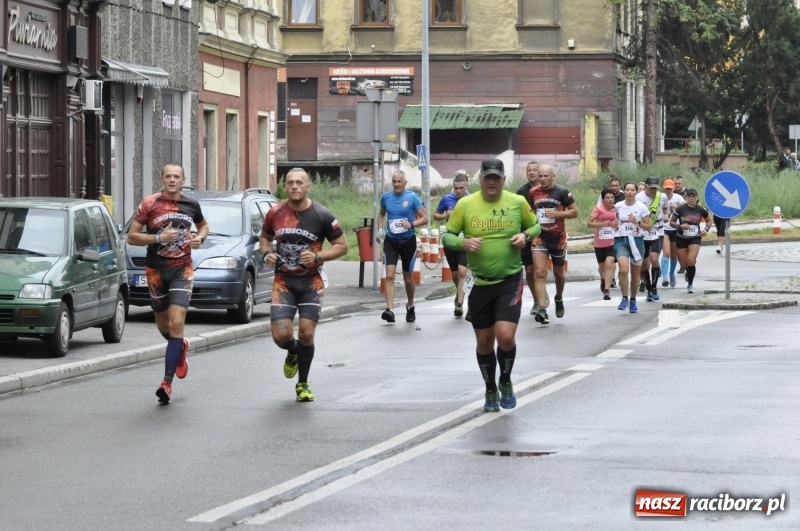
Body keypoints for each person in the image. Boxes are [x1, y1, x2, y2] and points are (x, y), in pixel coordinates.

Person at [442, 158, 541, 413]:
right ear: (481, 179)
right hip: (479, 283)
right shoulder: (465, 205)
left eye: (497, 177)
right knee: (485, 341)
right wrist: (463, 244)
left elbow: (535, 225)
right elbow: (447, 235)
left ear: (504, 179)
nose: (492, 182)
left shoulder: (517, 202)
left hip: (509, 279)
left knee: (505, 336)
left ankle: (505, 380)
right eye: (488, 177)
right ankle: (490, 388)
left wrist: (525, 235)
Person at [259, 168, 348, 402]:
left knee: (307, 334)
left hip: (311, 283)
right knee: (281, 337)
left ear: (308, 186)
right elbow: (264, 237)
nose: (295, 186)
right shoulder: (275, 212)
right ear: (285, 186)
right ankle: (292, 351)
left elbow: (342, 246)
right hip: (283, 283)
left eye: (300, 182)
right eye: (290, 182)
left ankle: (303, 384)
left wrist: (319, 257)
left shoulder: (321, 214)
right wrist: (267, 253)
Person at [128, 163, 209, 404]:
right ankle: (180, 347)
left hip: (181, 269)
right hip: (155, 270)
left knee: (176, 322)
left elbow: (203, 225)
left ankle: (166, 383)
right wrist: (158, 237)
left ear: (183, 179)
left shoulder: (191, 204)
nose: (172, 180)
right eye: (168, 176)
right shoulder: (149, 203)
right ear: (161, 179)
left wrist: (200, 238)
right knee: (164, 327)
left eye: (176, 176)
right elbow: (132, 236)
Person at [376, 170, 428, 323]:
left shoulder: (412, 197)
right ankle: (389, 310)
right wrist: (380, 230)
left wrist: (411, 224)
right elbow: (381, 215)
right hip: (391, 241)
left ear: (405, 183)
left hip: (408, 242)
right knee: (390, 275)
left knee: (408, 279)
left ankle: (410, 306)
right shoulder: (386, 197)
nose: (397, 184)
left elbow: (425, 218)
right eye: (394, 181)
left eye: (400, 181)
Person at [529, 164, 578, 324]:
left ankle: (558, 297)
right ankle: (542, 308)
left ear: (553, 176)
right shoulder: (533, 192)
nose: (542, 179)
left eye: (545, 176)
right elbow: (530, 210)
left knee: (558, 273)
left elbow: (574, 212)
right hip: (540, 237)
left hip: (558, 238)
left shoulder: (563, 192)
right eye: (540, 176)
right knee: (540, 272)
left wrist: (557, 213)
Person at [434, 171, 469, 317]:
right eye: (456, 188)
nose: (459, 191)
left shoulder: (472, 199)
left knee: (462, 272)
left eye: (461, 188)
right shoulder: (446, 199)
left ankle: (460, 303)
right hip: (450, 240)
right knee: (454, 274)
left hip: (464, 240)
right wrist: (445, 216)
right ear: (453, 187)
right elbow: (435, 215)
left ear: (466, 187)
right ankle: (459, 292)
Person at [613, 181, 652, 314]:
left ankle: (633, 300)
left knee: (636, 273)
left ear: (636, 192)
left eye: (632, 190)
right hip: (621, 240)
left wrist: (637, 222)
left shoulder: (641, 207)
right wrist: (614, 224)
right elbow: (614, 221)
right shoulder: (618, 206)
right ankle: (624, 298)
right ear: (624, 191)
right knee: (623, 270)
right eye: (627, 190)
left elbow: (649, 227)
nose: (629, 192)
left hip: (637, 241)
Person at [669, 188, 712, 293]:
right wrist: (680, 226)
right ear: (686, 198)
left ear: (697, 198)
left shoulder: (701, 210)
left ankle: (690, 284)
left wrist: (706, 229)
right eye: (689, 196)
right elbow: (671, 222)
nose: (691, 199)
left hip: (695, 237)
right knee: (684, 264)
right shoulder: (680, 209)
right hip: (681, 238)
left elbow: (709, 221)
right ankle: (688, 271)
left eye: (693, 197)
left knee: (691, 260)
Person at [635, 176, 669, 302]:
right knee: (644, 263)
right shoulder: (639, 197)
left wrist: (666, 215)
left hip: (657, 230)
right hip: (643, 231)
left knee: (654, 258)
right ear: (646, 186)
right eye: (651, 188)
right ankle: (649, 288)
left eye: (655, 188)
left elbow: (666, 209)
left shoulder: (662, 197)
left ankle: (654, 287)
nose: (653, 190)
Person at [516, 161, 541, 314]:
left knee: (540, 270)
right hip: (528, 234)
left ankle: (545, 297)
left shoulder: (548, 189)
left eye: (535, 170)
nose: (532, 172)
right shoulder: (521, 192)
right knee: (530, 270)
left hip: (547, 234)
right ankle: (537, 299)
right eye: (529, 170)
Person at [587, 188, 617, 300]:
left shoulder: (617, 209)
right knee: (602, 268)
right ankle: (603, 280)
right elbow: (589, 224)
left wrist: (616, 224)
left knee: (610, 263)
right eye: (607, 198)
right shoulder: (598, 209)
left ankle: (607, 290)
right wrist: (602, 224)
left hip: (612, 242)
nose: (610, 200)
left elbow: (621, 222)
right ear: (603, 199)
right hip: (600, 243)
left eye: (612, 197)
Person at [659, 179, 685, 287]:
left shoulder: (678, 198)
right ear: (663, 188)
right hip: (664, 228)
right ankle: (665, 277)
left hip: (675, 228)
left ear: (673, 188)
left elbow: (686, 207)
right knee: (666, 253)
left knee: (674, 255)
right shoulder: (660, 197)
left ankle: (671, 274)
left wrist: (676, 207)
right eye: (666, 188)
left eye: (670, 188)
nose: (668, 190)